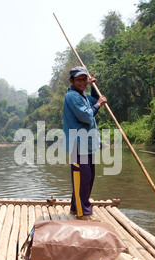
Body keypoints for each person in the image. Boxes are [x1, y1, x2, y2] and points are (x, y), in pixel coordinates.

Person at [63, 66, 107, 221]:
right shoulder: (73, 96)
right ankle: (83, 213)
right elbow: (87, 116)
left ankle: (76, 208)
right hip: (78, 145)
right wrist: (99, 104)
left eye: (84, 79)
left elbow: (94, 101)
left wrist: (94, 88)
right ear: (72, 81)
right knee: (82, 179)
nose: (82, 82)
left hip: (86, 145)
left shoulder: (83, 96)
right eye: (78, 79)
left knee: (86, 178)